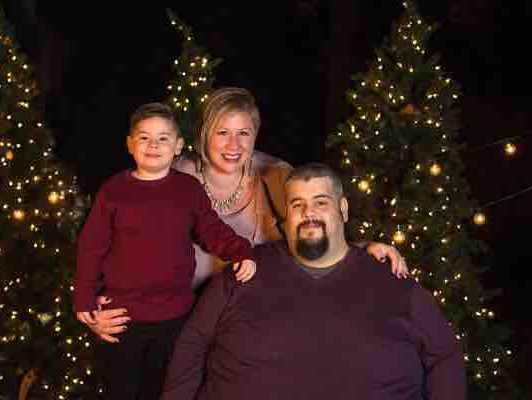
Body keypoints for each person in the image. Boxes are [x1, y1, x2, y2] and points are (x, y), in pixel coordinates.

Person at [82, 87, 408, 342]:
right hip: (177, 325)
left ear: (256, 135)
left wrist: (362, 249)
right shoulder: (172, 177)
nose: (233, 144)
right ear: (203, 134)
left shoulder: (276, 176)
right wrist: (96, 307)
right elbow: (111, 242)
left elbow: (313, 234)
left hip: (257, 324)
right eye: (222, 132)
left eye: (244, 133)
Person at [160, 162, 467, 400]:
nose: (308, 213)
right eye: (297, 204)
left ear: (343, 209)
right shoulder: (243, 272)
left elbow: (444, 355)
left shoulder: (391, 281)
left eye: (321, 202)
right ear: (286, 215)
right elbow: (191, 345)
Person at [73, 102, 257, 399]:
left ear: (178, 146)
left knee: (162, 390)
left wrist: (241, 252)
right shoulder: (114, 191)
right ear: (130, 144)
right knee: (120, 390)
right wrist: (84, 297)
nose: (153, 145)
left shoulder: (188, 189)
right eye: (144, 138)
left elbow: (211, 229)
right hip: (122, 316)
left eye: (163, 138)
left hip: (174, 315)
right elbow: (92, 247)